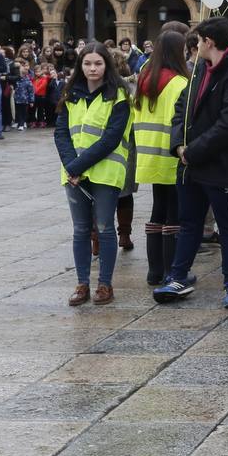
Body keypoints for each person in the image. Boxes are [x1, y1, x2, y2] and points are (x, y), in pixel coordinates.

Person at [154, 16, 228, 309]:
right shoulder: (200, 70)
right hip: (191, 165)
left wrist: (193, 151)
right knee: (189, 223)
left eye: (198, 42)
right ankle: (178, 276)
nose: (195, 47)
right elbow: (181, 108)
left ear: (208, 42)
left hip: (222, 167)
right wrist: (178, 145)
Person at [54, 42, 132, 306]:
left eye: (98, 63)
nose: (92, 68)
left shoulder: (118, 94)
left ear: (107, 65)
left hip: (105, 171)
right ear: (80, 66)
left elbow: (111, 138)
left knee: (105, 228)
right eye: (87, 63)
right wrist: (70, 165)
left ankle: (105, 284)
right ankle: (82, 283)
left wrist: (77, 166)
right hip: (74, 173)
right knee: (80, 230)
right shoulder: (70, 93)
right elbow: (61, 133)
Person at [132, 29, 190, 287]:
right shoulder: (179, 83)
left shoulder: (145, 79)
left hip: (147, 156)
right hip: (171, 155)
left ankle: (154, 271)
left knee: (157, 210)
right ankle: (171, 272)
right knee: (174, 215)